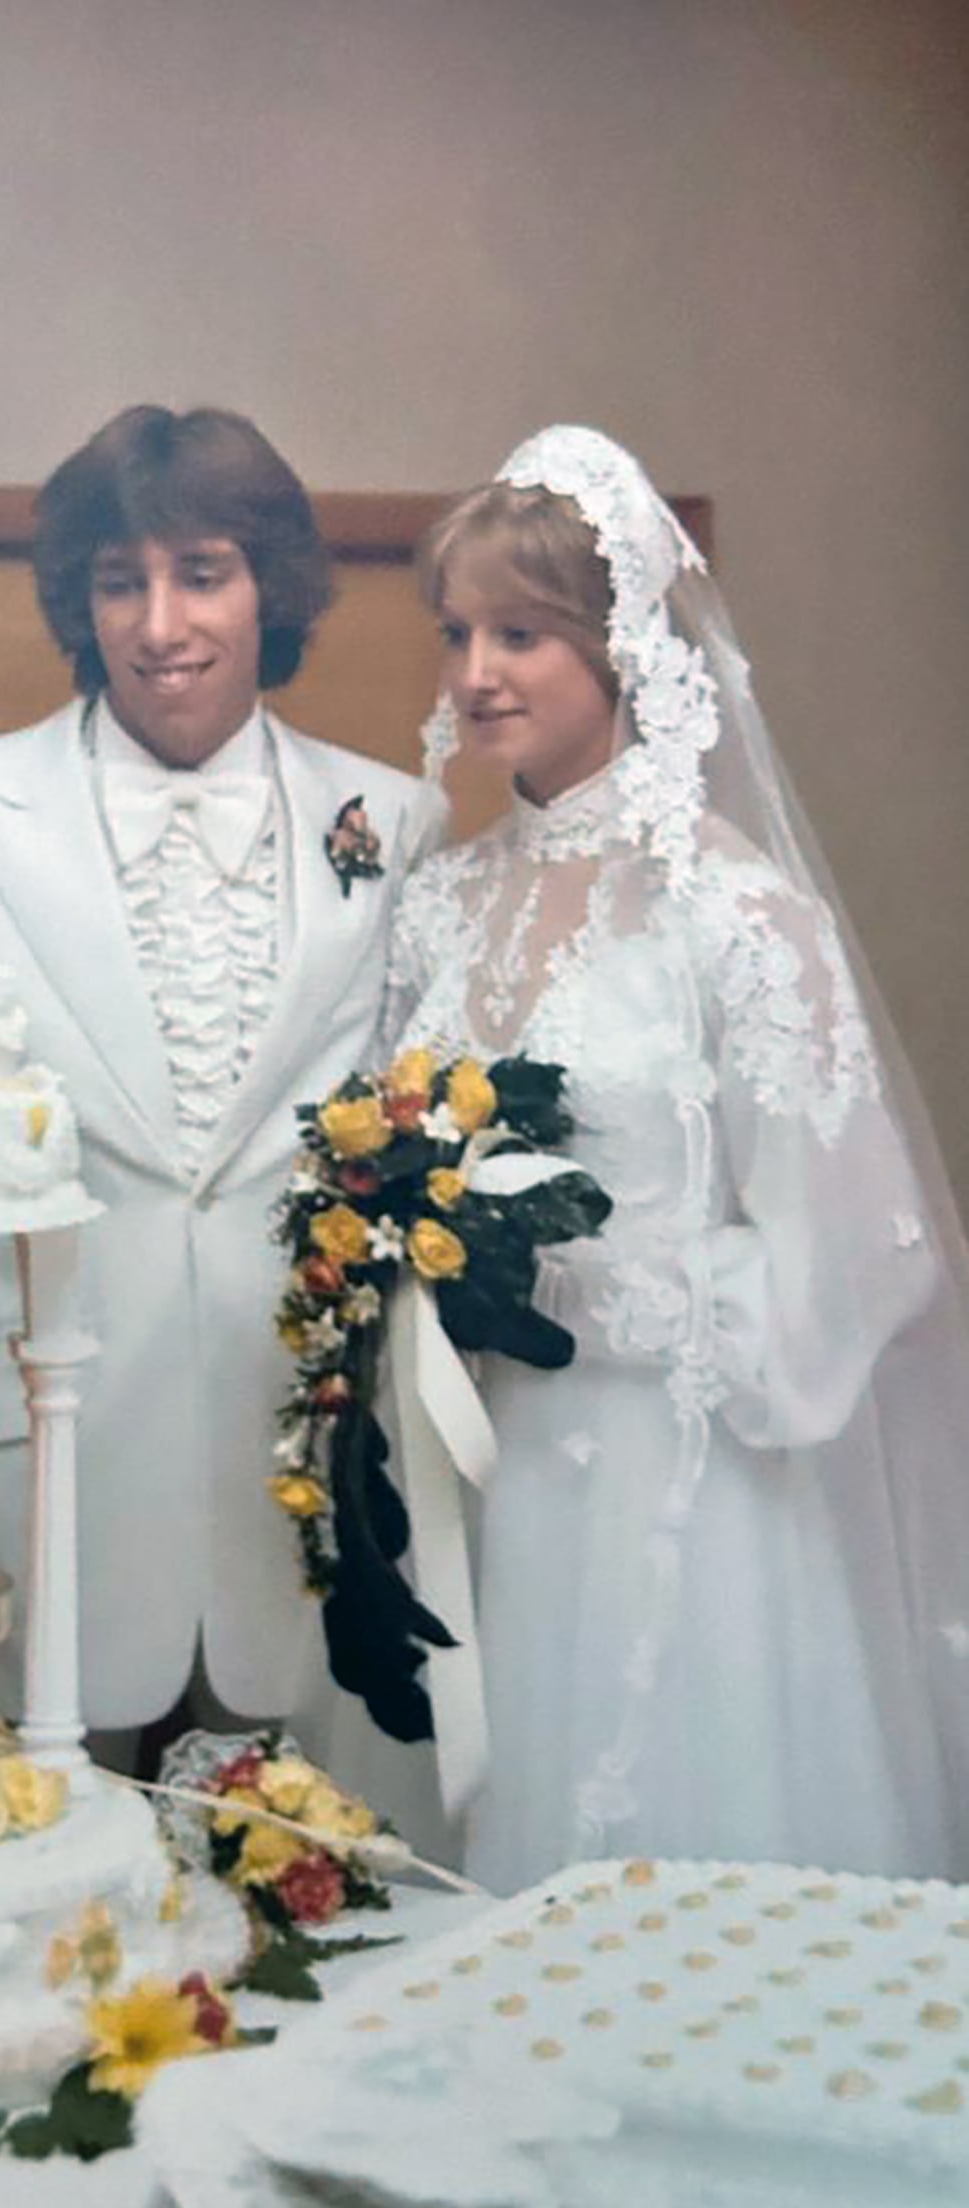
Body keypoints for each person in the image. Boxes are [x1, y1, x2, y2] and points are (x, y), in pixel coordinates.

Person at [377, 423, 969, 1892]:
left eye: (520, 631)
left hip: (675, 1491)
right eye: (458, 633)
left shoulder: (737, 914)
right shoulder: (440, 904)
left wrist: (591, 1293)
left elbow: (864, 1256)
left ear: (622, 642)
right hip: (470, 1476)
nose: (475, 673)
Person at [0, 405, 432, 1742]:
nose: (161, 625)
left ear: (270, 589)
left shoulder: (397, 823)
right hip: (45, 1478)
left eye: (203, 574)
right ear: (82, 600)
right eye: (121, 583)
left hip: (308, 1485)